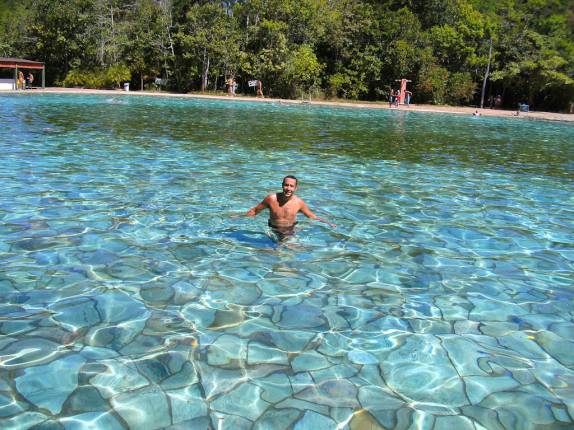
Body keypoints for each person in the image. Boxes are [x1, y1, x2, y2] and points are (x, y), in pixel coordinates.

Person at [246, 175, 336, 240]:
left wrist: (328, 223)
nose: (288, 188)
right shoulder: (271, 199)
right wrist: (241, 218)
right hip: (273, 229)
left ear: (295, 188)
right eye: (286, 185)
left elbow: (312, 216)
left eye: (291, 186)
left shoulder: (299, 202)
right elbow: (255, 210)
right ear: (282, 185)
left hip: (290, 231)